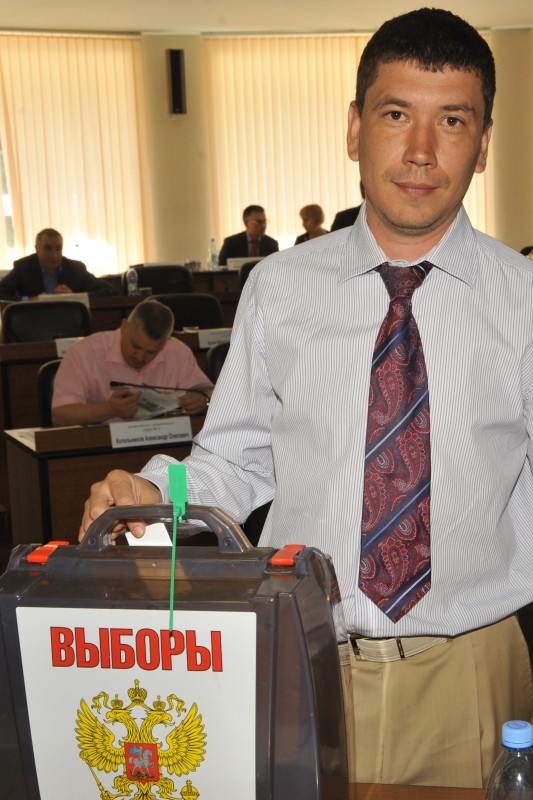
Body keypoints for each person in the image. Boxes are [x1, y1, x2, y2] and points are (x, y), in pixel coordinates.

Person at [80, 8, 533, 789]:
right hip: (300, 657)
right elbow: (233, 461)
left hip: (470, 673)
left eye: (452, 121)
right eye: (396, 115)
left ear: (483, 143)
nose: (421, 152)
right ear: (355, 128)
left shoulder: (523, 298)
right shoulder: (278, 289)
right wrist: (156, 493)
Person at [52, 299, 213, 426]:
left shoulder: (178, 352)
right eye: (136, 346)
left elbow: (209, 393)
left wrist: (203, 400)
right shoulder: (83, 353)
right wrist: (109, 409)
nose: (140, 357)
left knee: (188, 461)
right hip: (105, 446)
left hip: (165, 443)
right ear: (124, 327)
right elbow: (59, 415)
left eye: (151, 352)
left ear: (166, 341)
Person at [0, 228, 114, 299]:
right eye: (48, 248)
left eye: (58, 248)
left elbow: (108, 290)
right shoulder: (23, 267)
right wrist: (30, 300)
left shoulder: (75, 268)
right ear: (36, 249)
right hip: (33, 322)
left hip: (68, 322)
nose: (54, 255)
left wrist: (75, 297)